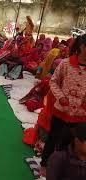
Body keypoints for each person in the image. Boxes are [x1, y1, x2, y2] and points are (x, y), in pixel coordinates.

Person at [40, 34, 86, 176]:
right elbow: (53, 81)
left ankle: (68, 169)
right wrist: (60, 97)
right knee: (53, 138)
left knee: (73, 143)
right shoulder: (66, 64)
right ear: (81, 47)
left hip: (80, 115)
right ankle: (44, 164)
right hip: (61, 110)